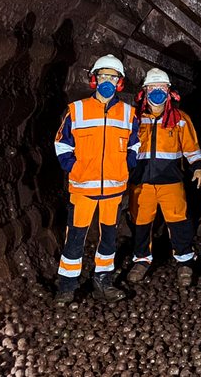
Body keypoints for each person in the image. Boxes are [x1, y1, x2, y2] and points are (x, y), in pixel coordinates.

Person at [53, 54, 139, 304]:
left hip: (113, 189)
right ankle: (67, 287)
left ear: (120, 83)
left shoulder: (128, 113)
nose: (108, 81)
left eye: (113, 77)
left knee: (108, 239)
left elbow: (136, 145)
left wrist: (126, 165)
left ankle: (103, 282)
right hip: (82, 189)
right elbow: (61, 144)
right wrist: (74, 167)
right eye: (103, 76)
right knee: (75, 239)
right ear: (94, 79)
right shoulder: (76, 110)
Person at [126, 68, 201, 287]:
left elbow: (192, 147)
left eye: (161, 88)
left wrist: (197, 167)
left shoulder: (180, 119)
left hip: (171, 181)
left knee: (179, 222)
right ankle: (141, 260)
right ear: (144, 91)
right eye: (152, 88)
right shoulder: (134, 118)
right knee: (140, 222)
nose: (156, 92)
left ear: (169, 92)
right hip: (141, 182)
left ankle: (185, 261)